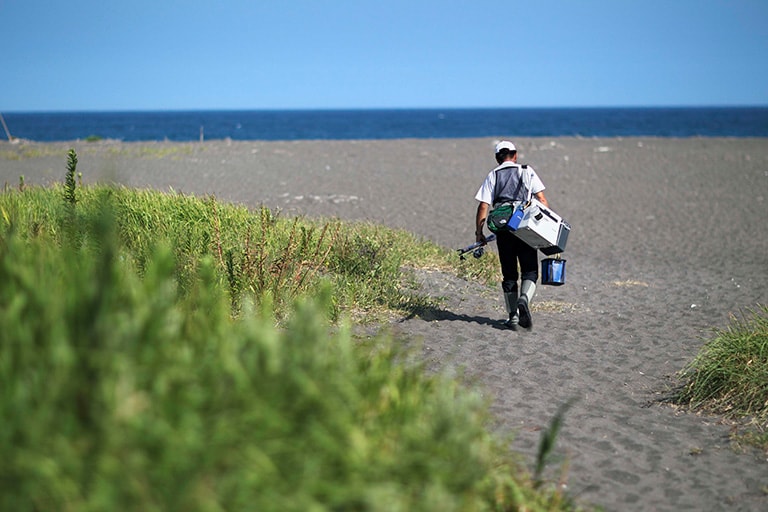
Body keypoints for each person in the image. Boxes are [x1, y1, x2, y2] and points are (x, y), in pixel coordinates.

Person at [474, 141, 549, 330]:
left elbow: (483, 206)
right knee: (530, 270)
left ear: (497, 158)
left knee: (509, 274)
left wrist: (479, 233)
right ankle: (525, 299)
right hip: (525, 227)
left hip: (503, 229)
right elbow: (541, 199)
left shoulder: (493, 175)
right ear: (515, 155)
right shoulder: (526, 170)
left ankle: (513, 317)